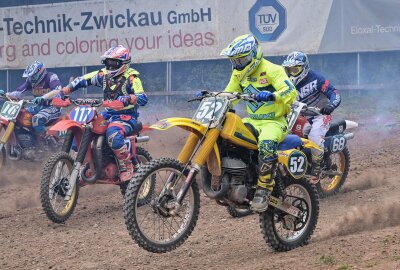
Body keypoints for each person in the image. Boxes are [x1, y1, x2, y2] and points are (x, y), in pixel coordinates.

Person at [220, 34, 298, 212]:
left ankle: (264, 189)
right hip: (253, 121)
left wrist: (273, 95)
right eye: (235, 60)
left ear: (254, 55)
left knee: (267, 143)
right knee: (228, 134)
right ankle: (239, 177)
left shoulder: (273, 69)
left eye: (241, 59)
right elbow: (229, 95)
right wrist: (213, 98)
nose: (238, 64)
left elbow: (291, 92)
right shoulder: (238, 74)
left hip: (275, 122)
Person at [56, 45, 148, 182]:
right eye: (107, 63)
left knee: (113, 133)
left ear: (123, 64)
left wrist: (129, 98)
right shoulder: (103, 76)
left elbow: (143, 97)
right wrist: (66, 90)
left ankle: (126, 165)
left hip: (127, 117)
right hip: (108, 114)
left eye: (113, 63)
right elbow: (83, 80)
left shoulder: (132, 78)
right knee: (84, 128)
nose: (109, 67)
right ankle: (89, 164)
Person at [282, 51, 341, 180]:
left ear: (304, 68)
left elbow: (334, 93)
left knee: (314, 135)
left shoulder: (317, 79)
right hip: (297, 115)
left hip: (319, 114)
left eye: (295, 69)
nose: (291, 73)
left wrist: (330, 106)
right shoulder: (284, 82)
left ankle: (316, 168)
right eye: (289, 69)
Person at [0, 61, 62, 146]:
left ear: (40, 72)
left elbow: (57, 90)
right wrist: (6, 94)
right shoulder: (30, 81)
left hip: (53, 107)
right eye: (31, 76)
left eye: (34, 76)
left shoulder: (51, 77)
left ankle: (49, 142)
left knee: (36, 119)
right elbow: (18, 91)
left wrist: (43, 97)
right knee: (19, 115)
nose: (32, 78)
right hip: (38, 107)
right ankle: (27, 142)